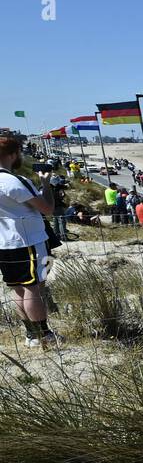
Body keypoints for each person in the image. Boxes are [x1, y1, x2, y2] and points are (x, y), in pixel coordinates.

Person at [0, 135, 59, 347]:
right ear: (13, 154)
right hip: (29, 241)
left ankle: (31, 335)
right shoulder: (13, 182)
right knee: (34, 288)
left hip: (4, 244)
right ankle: (44, 334)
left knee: (18, 289)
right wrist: (45, 184)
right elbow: (47, 209)